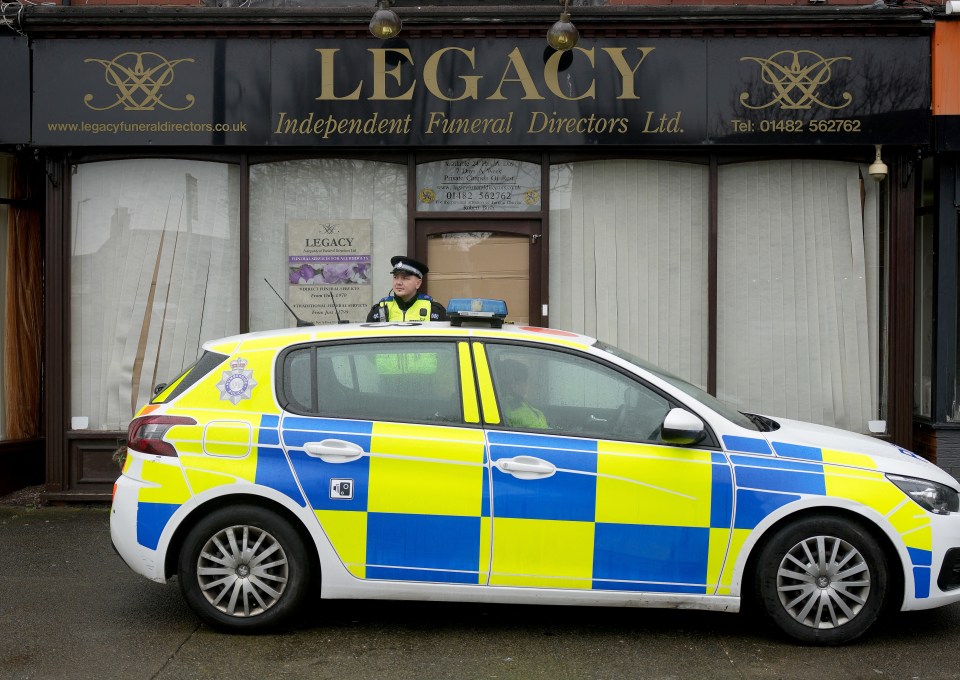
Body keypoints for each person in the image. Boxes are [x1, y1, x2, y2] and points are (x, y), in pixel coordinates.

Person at [366, 256, 447, 323]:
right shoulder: (379, 309)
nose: (398, 282)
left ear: (418, 283)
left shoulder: (434, 310)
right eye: (395, 277)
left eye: (405, 278)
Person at [498, 359, 548, 429]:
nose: (527, 385)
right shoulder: (515, 408)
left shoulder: (518, 402)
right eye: (524, 381)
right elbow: (539, 428)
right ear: (512, 383)